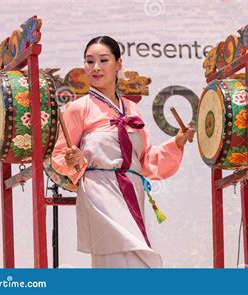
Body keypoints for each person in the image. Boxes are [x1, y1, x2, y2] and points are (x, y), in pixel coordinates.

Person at [51, 36, 194, 268]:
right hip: (100, 191)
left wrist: (177, 142)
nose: (95, 67)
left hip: (132, 189)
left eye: (103, 60)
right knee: (121, 258)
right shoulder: (79, 108)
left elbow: (145, 160)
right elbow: (59, 155)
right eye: (89, 61)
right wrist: (75, 160)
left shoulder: (131, 108)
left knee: (134, 258)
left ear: (118, 64)